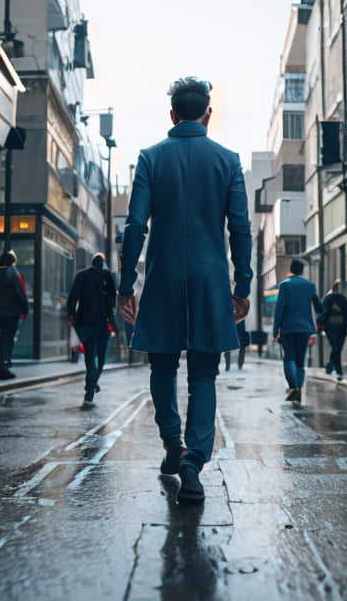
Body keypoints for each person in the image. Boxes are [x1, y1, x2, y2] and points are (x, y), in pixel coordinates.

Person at [118, 77, 253, 506]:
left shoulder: (151, 158)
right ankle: (194, 460)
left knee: (162, 368)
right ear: (207, 114)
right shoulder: (227, 161)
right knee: (204, 374)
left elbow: (135, 226)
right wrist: (242, 286)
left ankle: (172, 445)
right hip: (211, 280)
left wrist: (126, 285)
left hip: (162, 279)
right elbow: (241, 229)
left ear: (172, 115)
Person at [67, 251, 117, 409]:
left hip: (86, 323)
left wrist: (74, 319)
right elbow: (112, 303)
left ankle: (89, 392)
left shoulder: (82, 275)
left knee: (90, 359)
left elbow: (72, 300)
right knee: (101, 358)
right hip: (103, 324)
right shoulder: (107, 278)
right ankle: (93, 384)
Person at [273, 258, 323, 405]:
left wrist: (276, 329)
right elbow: (319, 307)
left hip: (288, 329)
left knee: (289, 357)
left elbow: (279, 309)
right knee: (301, 361)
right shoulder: (310, 286)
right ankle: (299, 389)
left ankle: (293, 387)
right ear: (301, 271)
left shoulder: (284, 285)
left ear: (292, 269)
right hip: (305, 328)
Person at [0, 249, 29, 379]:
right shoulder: (12, 272)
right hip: (11, 311)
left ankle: (0, 362)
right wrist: (25, 307)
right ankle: (4, 367)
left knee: (2, 336)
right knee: (8, 338)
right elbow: (19, 291)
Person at [319, 279, 347, 380]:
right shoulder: (344, 299)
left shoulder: (328, 298)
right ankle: (337, 369)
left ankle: (331, 367)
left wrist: (319, 323)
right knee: (337, 349)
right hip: (342, 327)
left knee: (335, 348)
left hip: (330, 327)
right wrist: (346, 326)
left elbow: (323, 312)